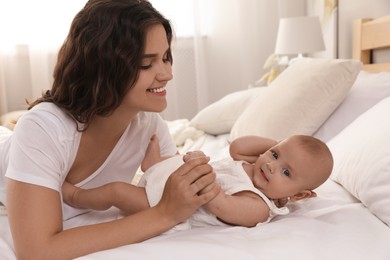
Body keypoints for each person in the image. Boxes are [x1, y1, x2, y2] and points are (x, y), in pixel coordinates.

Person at [0, 0, 220, 259]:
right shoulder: (43, 127)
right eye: (147, 64)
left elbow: (174, 198)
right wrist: (164, 214)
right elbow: (37, 251)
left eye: (166, 58)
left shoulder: (148, 126)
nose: (167, 74)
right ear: (103, 67)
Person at [62, 134, 333, 231]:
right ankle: (154, 166)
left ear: (298, 196)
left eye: (287, 173)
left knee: (117, 191)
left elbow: (220, 205)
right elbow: (237, 147)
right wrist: (281, 145)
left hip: (167, 205)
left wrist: (197, 167)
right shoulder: (254, 167)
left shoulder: (258, 205)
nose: (272, 165)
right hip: (176, 179)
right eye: (275, 154)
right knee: (171, 159)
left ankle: (75, 196)